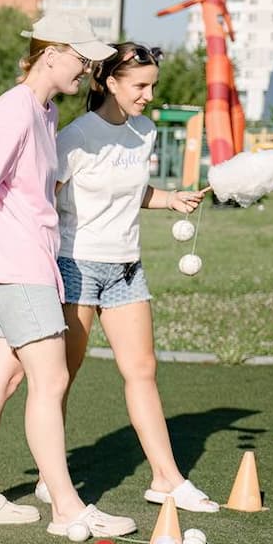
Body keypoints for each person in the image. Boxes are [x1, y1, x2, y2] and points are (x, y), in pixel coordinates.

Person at [0, 14, 138, 539]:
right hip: (17, 268)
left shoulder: (45, 112)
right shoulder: (14, 111)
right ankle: (66, 508)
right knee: (51, 380)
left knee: (2, 379)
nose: (88, 70)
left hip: (24, 265)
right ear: (51, 53)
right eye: (82, 59)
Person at [42, 43, 215, 511]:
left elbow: (130, 191)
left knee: (142, 371)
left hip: (127, 268)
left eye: (152, 85)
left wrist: (170, 199)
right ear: (109, 82)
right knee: (60, 377)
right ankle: (50, 475)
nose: (148, 96)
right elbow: (44, 200)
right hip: (76, 266)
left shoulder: (145, 132)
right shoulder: (76, 137)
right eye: (140, 86)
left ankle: (166, 479)